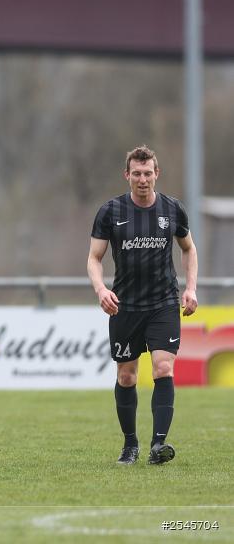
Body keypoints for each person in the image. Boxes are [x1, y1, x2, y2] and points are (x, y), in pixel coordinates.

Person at [87, 146, 198, 466]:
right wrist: (100, 289)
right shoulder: (111, 212)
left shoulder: (173, 209)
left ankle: (158, 445)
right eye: (136, 173)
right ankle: (130, 444)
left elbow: (188, 249)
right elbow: (94, 257)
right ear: (127, 176)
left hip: (163, 303)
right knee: (127, 377)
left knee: (163, 367)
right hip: (125, 306)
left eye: (148, 173)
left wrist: (190, 288)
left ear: (156, 174)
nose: (142, 179)